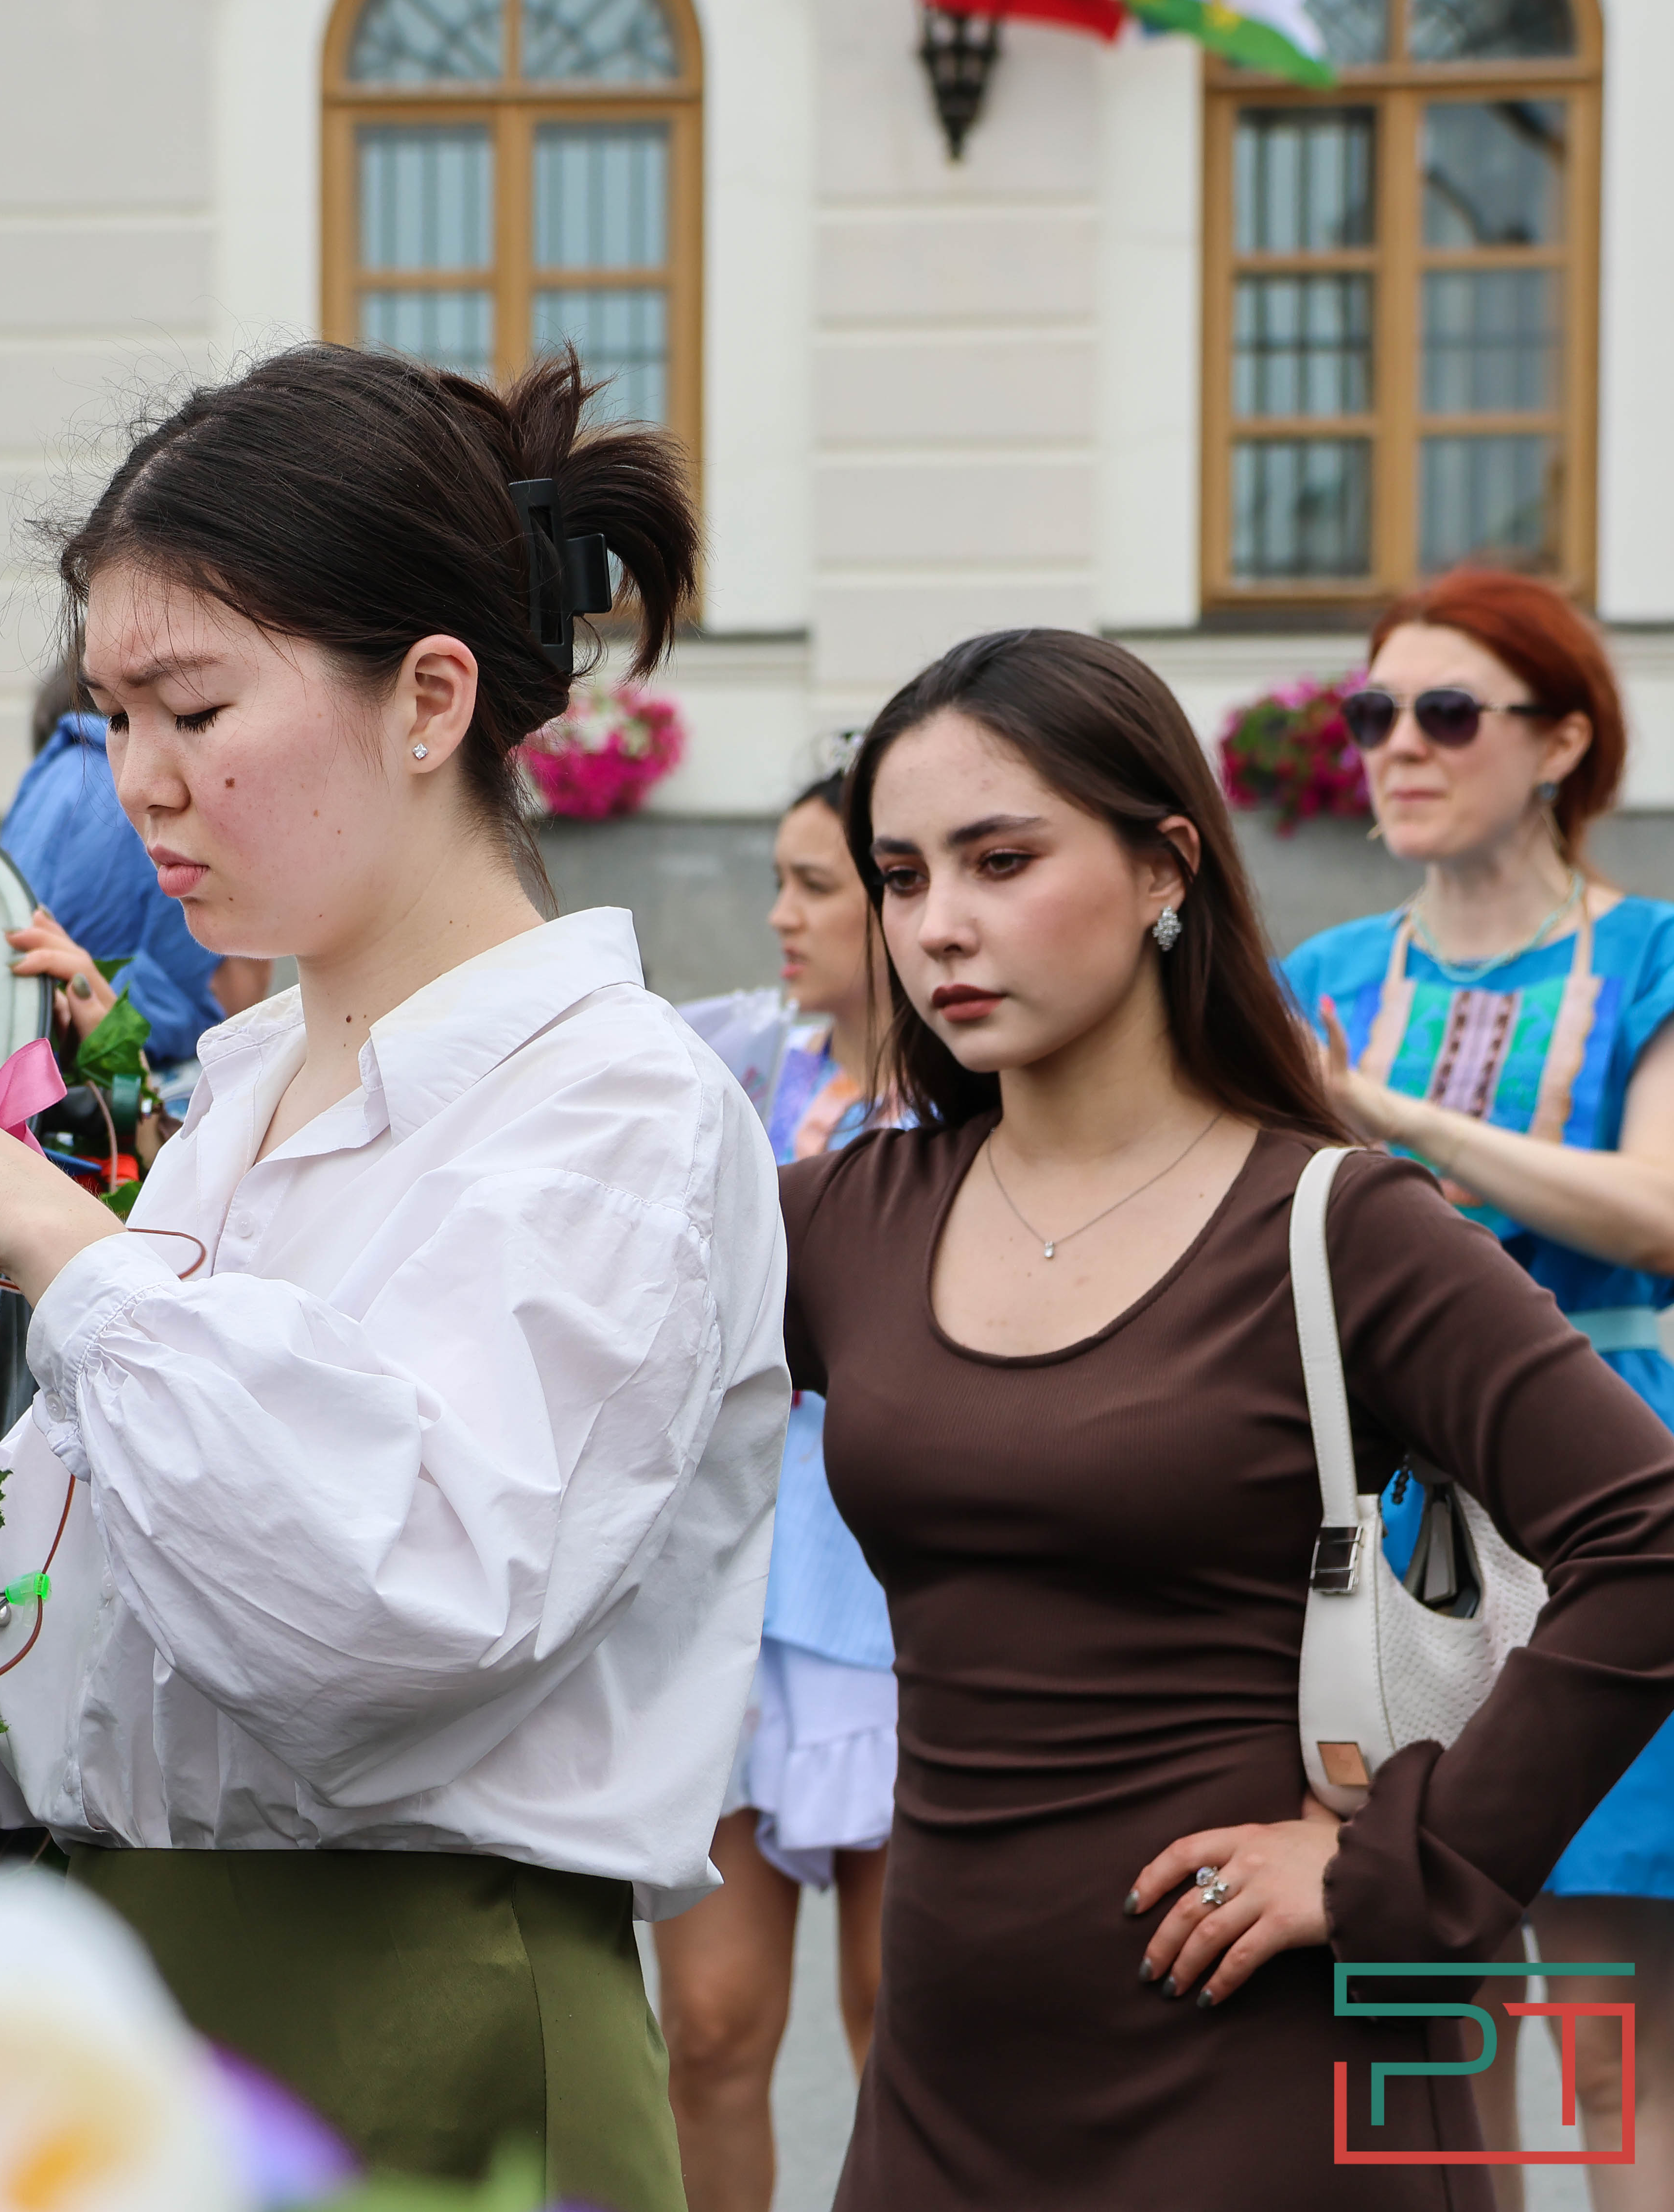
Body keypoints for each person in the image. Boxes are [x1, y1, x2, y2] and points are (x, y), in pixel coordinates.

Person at [0, 343, 783, 2208]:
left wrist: (67, 1252)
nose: (138, 785)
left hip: (432, 2009)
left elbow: (393, 1610)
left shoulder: (615, 1108)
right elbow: (12, 1678)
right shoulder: (239, 1092)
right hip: (130, 2009)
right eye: (108, 716)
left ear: (426, 697)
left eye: (191, 706)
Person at [781, 626, 1674, 2210]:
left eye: (1001, 860)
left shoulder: (1340, 1227)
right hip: (942, 2077)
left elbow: (1652, 1532)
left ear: (1162, 869)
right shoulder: (846, 1220)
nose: (941, 926)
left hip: (1272, 2074)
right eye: (903, 877)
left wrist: (1411, 1858)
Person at [1278, 568, 1674, 2206]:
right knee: (1429, 1996)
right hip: (1385, 1523)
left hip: (1600, 1509)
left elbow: (1660, 1213)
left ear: (1565, 737)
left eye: (1448, 713)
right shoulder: (1319, 971)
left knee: (1607, 2001)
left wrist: (1392, 1121)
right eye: (1375, 715)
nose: (1398, 747)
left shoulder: (1650, 952)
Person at [652, 769, 897, 2212]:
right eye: (780, 877)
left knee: (905, 2029)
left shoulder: (998, 1099)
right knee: (710, 2028)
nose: (778, 915)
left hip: (897, 1588)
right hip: (736, 1577)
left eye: (817, 886)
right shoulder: (741, 1055)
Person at [0, 647, 270, 1098]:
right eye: (117, 719)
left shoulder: (53, 778)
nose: (138, 788)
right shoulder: (167, 807)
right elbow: (181, 994)